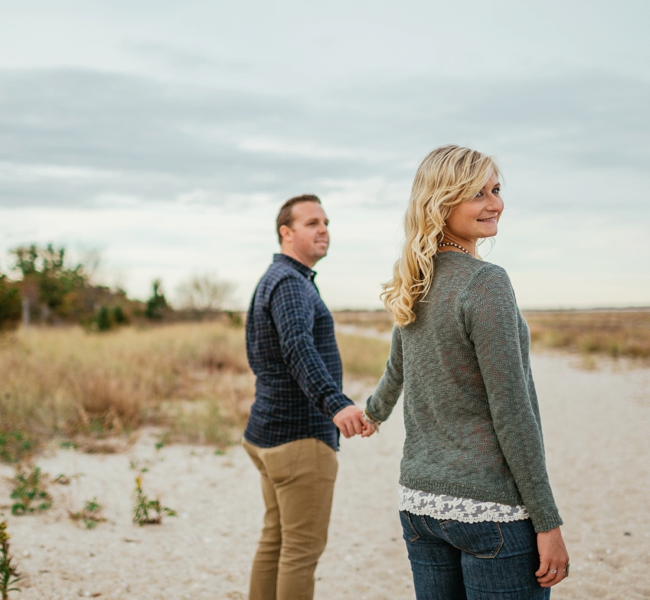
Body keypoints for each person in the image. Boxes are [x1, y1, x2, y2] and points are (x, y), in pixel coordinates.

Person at [361, 146, 569, 599]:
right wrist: (547, 520)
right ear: (441, 201)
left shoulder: (415, 282)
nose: (494, 203)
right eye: (477, 193)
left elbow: (397, 369)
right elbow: (512, 410)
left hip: (420, 504)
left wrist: (371, 414)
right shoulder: (486, 282)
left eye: (496, 190)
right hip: (490, 510)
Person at [242, 193, 367, 600]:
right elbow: (298, 347)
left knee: (276, 541)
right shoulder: (291, 285)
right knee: (299, 553)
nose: (323, 229)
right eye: (312, 223)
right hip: (298, 440)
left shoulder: (275, 280)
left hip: (268, 435)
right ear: (286, 232)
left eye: (326, 222)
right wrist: (336, 403)